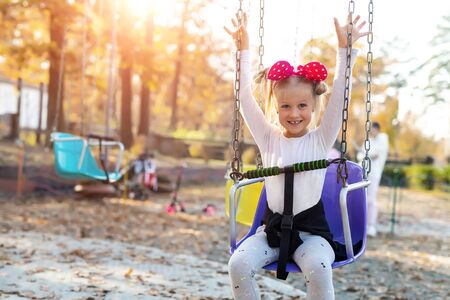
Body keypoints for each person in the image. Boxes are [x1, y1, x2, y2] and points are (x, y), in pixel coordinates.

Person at [225, 13, 368, 300]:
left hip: (312, 236)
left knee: (318, 267)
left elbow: (341, 95)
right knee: (238, 264)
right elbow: (244, 99)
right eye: (286, 106)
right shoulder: (268, 138)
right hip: (272, 233)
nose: (294, 113)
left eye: (302, 105)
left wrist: (345, 51)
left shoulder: (319, 139)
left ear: (313, 106)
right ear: (276, 108)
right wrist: (242, 51)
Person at [357, 122, 389, 237]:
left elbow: (376, 154)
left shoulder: (383, 138)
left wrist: (367, 154)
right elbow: (360, 156)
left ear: (377, 129)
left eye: (372, 129)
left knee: (371, 199)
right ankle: (361, 224)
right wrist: (366, 155)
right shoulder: (368, 140)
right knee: (361, 198)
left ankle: (371, 225)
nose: (371, 132)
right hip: (363, 171)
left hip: (374, 173)